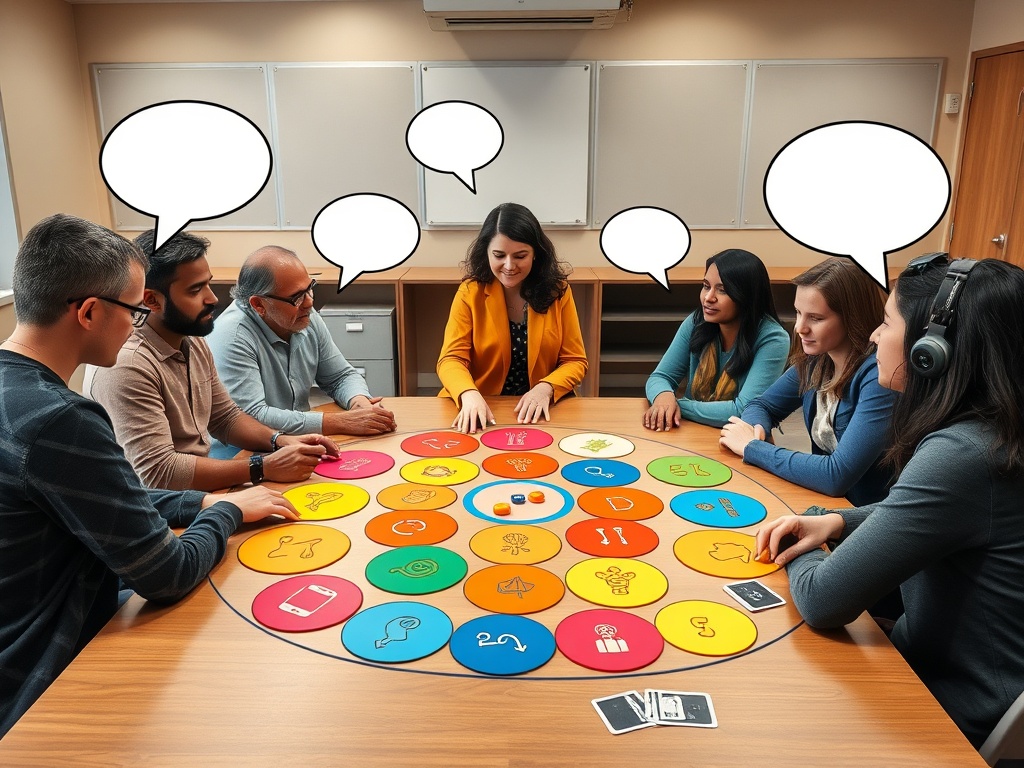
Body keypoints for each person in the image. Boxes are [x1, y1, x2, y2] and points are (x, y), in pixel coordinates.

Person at [0, 214, 300, 738]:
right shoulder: (60, 420)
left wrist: (199, 505)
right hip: (48, 670)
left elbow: (105, 498)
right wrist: (228, 510)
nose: (138, 321)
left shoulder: (20, 394)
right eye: (135, 309)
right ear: (90, 312)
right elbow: (166, 574)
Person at [754, 254, 1024, 750]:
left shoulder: (960, 454)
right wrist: (839, 521)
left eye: (886, 323)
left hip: (951, 706)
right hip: (947, 668)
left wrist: (807, 525)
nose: (875, 337)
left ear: (932, 351)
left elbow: (822, 600)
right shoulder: (992, 434)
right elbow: (942, 515)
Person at [86, 230, 339, 492]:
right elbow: (158, 474)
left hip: (197, 493)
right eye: (196, 290)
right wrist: (263, 467)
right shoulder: (128, 365)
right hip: (158, 508)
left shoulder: (191, 339)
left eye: (208, 283)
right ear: (151, 300)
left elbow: (225, 418)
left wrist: (280, 441)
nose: (213, 299)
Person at [719, 257, 896, 506]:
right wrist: (757, 430)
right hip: (824, 506)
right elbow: (762, 406)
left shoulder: (878, 377)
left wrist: (753, 448)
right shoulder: (816, 360)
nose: (800, 328)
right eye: (798, 313)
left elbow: (836, 475)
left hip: (866, 521)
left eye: (816, 318)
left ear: (852, 318)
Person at [207, 245, 397, 447]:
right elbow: (251, 417)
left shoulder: (303, 315)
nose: (309, 303)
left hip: (297, 442)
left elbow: (340, 376)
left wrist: (359, 403)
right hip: (244, 454)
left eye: (310, 288)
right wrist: (338, 422)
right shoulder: (232, 335)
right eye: (296, 297)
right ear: (258, 305)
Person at [437, 202, 588, 433]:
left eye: (520, 256)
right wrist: (469, 394)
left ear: (536, 254)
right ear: (486, 252)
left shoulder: (558, 291)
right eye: (499, 255)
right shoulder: (470, 292)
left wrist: (545, 388)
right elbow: (451, 359)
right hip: (481, 407)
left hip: (542, 409)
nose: (509, 266)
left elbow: (575, 360)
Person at [643, 249, 790, 430]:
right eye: (706, 286)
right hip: (691, 429)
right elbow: (661, 376)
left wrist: (676, 406)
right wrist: (664, 395)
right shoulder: (697, 321)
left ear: (746, 296)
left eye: (722, 290)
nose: (708, 298)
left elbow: (744, 410)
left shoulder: (773, 339)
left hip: (738, 437)